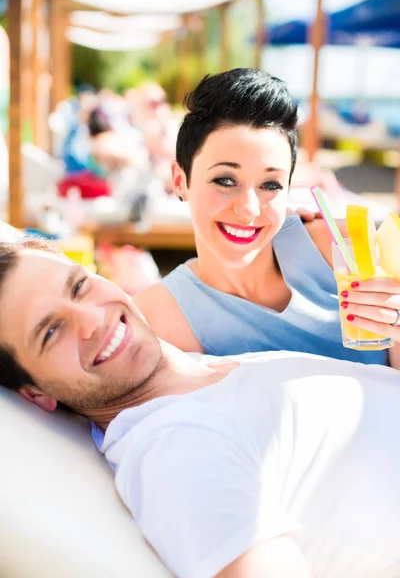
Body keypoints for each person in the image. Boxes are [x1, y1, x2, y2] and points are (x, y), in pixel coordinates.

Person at [0, 239, 400, 578]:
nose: (91, 320)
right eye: (51, 332)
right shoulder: (177, 449)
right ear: (35, 393)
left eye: (79, 286)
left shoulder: (204, 371)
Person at [134, 68, 400, 368]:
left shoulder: (339, 249)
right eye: (225, 180)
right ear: (180, 181)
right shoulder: (158, 318)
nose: (249, 208)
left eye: (270, 185)